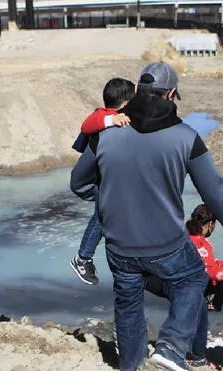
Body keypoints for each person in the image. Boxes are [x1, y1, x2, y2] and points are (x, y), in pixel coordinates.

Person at [70, 61, 223, 371]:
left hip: (119, 247)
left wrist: (109, 201)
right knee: (194, 277)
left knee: (127, 307)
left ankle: (130, 364)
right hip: (166, 244)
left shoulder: (107, 131)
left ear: (137, 90)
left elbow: (79, 183)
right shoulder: (186, 136)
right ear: (172, 94)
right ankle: (171, 346)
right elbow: (214, 190)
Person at [70, 78, 134, 285]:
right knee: (103, 213)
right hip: (90, 182)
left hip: (100, 180)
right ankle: (82, 258)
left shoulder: (121, 117)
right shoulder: (105, 117)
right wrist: (111, 121)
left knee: (112, 211)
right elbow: (87, 124)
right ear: (125, 102)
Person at [186, 204, 223, 311]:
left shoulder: (185, 236)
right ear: (210, 224)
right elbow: (212, 272)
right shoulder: (202, 243)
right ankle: (213, 304)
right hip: (194, 285)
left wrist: (221, 264)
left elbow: (205, 262)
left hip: (181, 279)